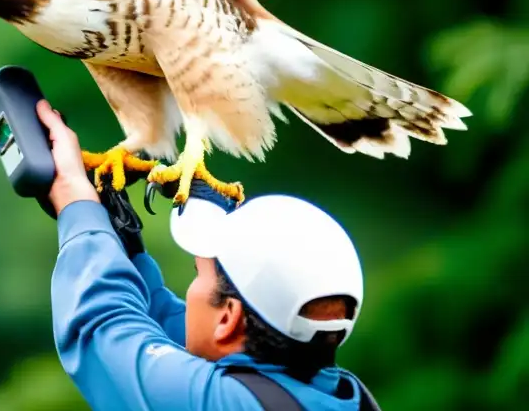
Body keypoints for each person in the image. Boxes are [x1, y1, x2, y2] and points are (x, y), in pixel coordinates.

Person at [36, 100, 382, 411]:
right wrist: (121, 240)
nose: (189, 295)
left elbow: (99, 327)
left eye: (199, 274)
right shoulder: (344, 396)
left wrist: (75, 202)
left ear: (229, 317)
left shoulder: (226, 403)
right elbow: (174, 334)